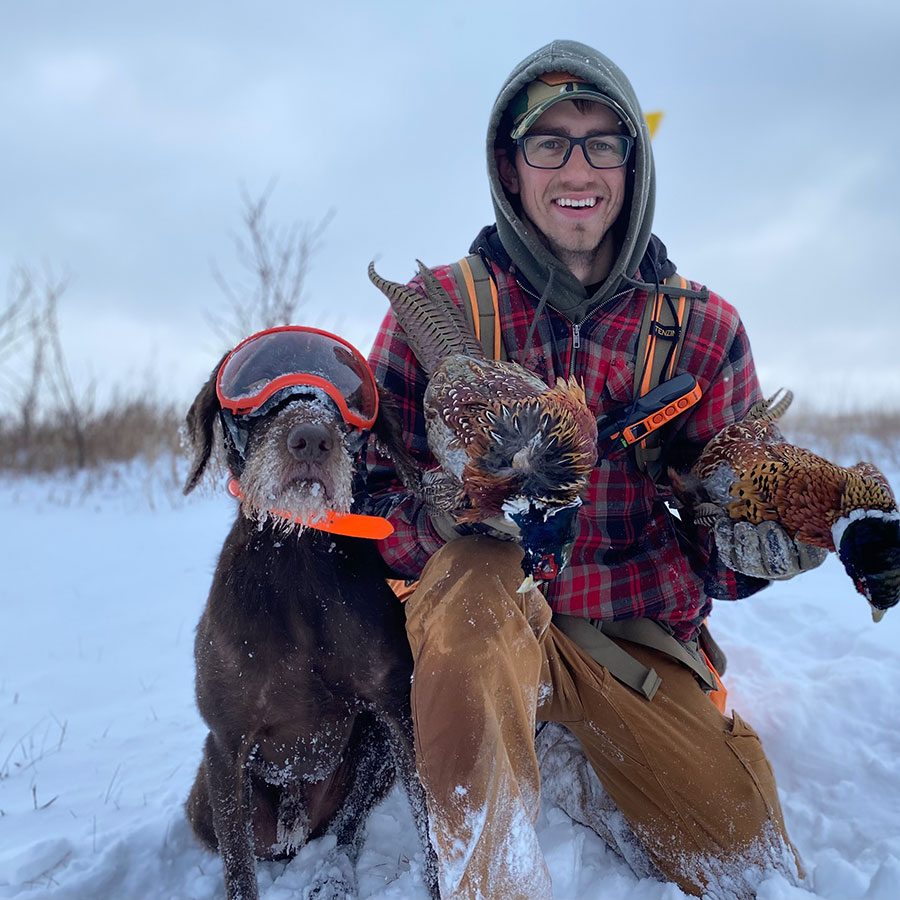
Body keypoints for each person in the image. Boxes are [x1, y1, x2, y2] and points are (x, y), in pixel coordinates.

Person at [366, 39, 823, 900]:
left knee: (742, 858)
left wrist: (780, 539)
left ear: (632, 162)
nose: (577, 166)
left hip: (630, 634)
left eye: (602, 141)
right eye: (550, 142)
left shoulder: (704, 331)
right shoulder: (439, 311)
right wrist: (448, 513)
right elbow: (371, 493)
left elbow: (729, 534)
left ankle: (573, 747)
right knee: (472, 585)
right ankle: (485, 871)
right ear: (511, 166)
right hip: (484, 621)